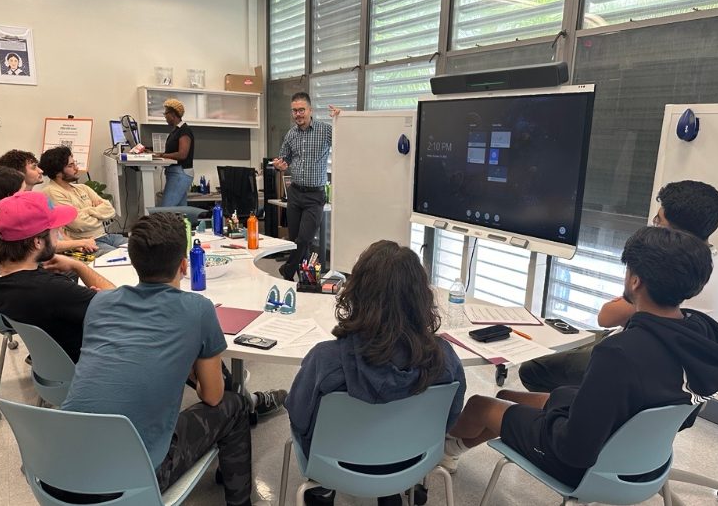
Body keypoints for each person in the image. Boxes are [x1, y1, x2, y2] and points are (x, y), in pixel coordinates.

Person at [442, 226, 718, 487]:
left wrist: (555, 412)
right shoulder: (705, 336)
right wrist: (561, 404)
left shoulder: (620, 352)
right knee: (509, 394)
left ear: (635, 281)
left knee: (480, 405)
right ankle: (455, 448)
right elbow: (679, 418)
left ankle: (439, 451)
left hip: (583, 467)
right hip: (645, 455)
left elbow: (574, 449)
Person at [62, 213, 264, 506]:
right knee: (234, 405)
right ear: (184, 265)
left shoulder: (100, 302)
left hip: (61, 465)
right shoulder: (198, 309)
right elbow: (212, 396)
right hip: (133, 480)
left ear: (133, 262)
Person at [285, 240, 467, 506]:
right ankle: (389, 486)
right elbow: (449, 420)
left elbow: (300, 419)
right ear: (422, 298)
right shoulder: (444, 358)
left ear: (356, 292)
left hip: (336, 465)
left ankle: (324, 490)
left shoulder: (325, 360)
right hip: (412, 461)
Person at [519, 180, 718, 393]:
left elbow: (607, 316)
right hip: (666, 360)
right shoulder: (715, 263)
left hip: (637, 362)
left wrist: (626, 302)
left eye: (659, 221)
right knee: (565, 340)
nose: (654, 226)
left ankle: (565, 411)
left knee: (532, 369)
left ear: (676, 233)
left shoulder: (675, 268)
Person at [0, 191, 115, 362]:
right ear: (37, 242)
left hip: (52, 362)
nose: (59, 233)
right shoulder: (53, 290)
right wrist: (79, 266)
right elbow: (118, 304)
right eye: (56, 230)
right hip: (88, 364)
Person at [272, 92, 340, 281]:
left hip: (314, 196)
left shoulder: (325, 131)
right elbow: (283, 158)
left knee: (304, 239)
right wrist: (279, 165)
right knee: (296, 242)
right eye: (294, 111)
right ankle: (301, 283)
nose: (298, 114)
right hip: (294, 193)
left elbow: (347, 138)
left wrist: (341, 119)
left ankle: (287, 270)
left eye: (301, 110)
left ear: (310, 110)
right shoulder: (291, 134)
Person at [0, 150, 97, 254]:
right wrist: (80, 243)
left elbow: (59, 233)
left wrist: (77, 246)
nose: (40, 171)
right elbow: (41, 245)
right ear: (19, 174)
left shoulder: (36, 199)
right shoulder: (18, 209)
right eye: (34, 167)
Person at [40, 145, 128, 255]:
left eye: (74, 164)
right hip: (85, 243)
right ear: (58, 172)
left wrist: (86, 212)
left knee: (142, 248)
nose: (76, 168)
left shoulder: (82, 188)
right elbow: (78, 223)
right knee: (122, 258)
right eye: (70, 166)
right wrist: (95, 210)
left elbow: (110, 210)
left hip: (106, 236)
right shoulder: (51, 192)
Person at [155, 98, 194, 206]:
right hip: (176, 173)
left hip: (180, 173)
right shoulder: (176, 130)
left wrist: (162, 155)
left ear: (172, 114)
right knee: (181, 213)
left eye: (165, 113)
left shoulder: (184, 130)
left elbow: (182, 154)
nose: (165, 116)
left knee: (165, 210)